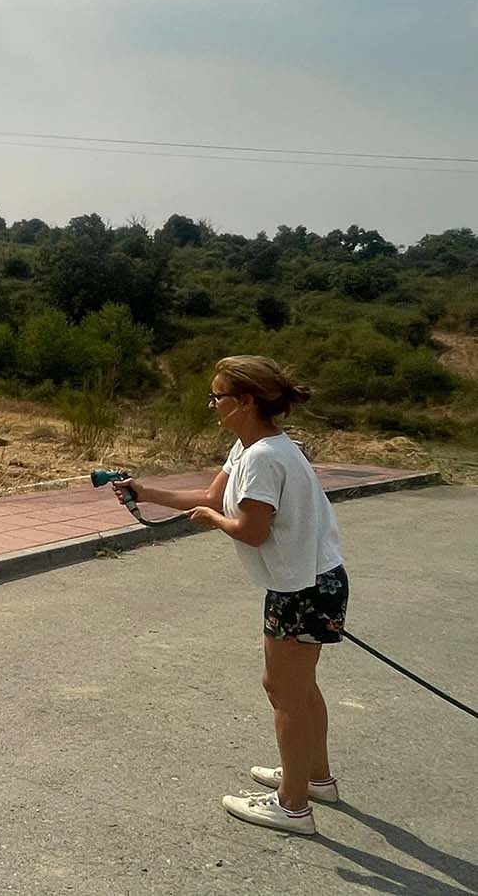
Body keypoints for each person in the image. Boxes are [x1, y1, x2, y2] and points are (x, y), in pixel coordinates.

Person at [115, 355, 346, 836]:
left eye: (217, 396)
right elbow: (211, 496)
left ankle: (293, 806)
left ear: (244, 402)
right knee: (298, 687)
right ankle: (315, 777)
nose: (212, 404)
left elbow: (250, 530)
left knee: (283, 691)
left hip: (302, 588)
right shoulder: (251, 448)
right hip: (308, 581)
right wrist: (145, 491)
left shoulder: (264, 458)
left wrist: (214, 522)